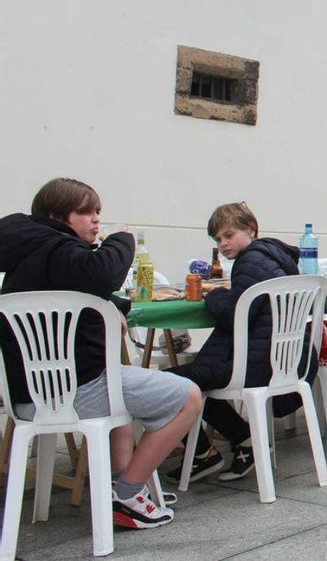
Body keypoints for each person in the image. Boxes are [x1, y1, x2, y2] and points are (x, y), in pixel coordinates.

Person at [0, 178, 201, 529]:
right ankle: (128, 492)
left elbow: (71, 287)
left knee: (118, 396)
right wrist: (121, 239)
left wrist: (113, 308)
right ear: (58, 216)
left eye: (98, 213)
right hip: (74, 392)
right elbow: (103, 272)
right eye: (87, 212)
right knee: (189, 398)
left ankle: (118, 488)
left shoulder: (29, 253)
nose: (95, 220)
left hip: (27, 398)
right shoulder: (60, 250)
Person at [167, 202, 317, 484]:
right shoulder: (276, 258)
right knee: (197, 380)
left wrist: (214, 297)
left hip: (257, 363)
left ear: (250, 230)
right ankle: (242, 441)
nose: (222, 244)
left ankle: (205, 454)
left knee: (172, 384)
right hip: (285, 360)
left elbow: (235, 315)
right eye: (217, 239)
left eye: (228, 235)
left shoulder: (250, 262)